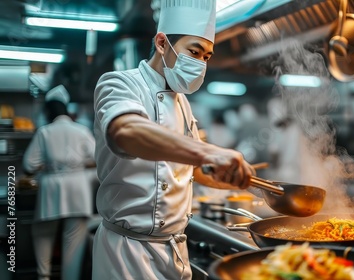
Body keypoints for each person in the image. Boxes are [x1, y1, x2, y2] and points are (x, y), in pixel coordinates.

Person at [92, 1, 254, 279]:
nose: (201, 63)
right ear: (162, 43)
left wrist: (219, 175)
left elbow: (180, 167)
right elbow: (127, 132)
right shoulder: (119, 83)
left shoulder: (182, 104)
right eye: (194, 51)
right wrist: (207, 152)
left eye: (207, 56)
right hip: (127, 251)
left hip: (175, 249)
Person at [23, 85, 96, 280]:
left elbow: (28, 165)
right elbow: (98, 157)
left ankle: (44, 276)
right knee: (73, 245)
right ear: (66, 109)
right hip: (78, 190)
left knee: (43, 234)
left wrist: (48, 165)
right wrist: (78, 164)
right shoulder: (81, 130)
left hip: (51, 189)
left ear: (48, 111)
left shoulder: (45, 132)